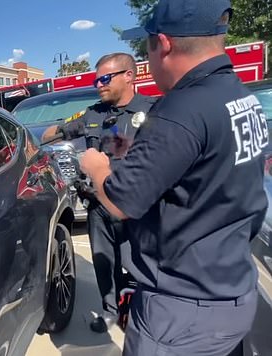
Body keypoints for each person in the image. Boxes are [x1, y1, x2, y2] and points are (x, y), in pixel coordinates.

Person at [79, 0, 268, 354]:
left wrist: (96, 166)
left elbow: (122, 202)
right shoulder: (242, 97)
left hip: (182, 312)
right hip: (232, 291)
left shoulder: (179, 110)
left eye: (147, 48)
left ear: (163, 44)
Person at [44, 52, 156, 333]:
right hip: (99, 205)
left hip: (136, 206)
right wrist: (46, 132)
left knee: (142, 263)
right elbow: (53, 134)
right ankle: (110, 311)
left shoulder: (154, 110)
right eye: (97, 80)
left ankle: (146, 312)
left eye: (105, 79)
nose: (99, 84)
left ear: (129, 76)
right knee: (104, 263)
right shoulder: (94, 113)